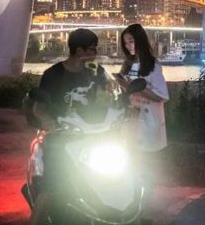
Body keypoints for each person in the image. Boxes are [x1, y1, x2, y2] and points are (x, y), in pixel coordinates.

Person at [30, 28, 103, 225]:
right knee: (50, 187)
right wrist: (47, 120)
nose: (95, 53)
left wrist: (121, 103)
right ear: (79, 51)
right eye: (92, 49)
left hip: (90, 136)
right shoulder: (53, 74)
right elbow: (38, 108)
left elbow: (109, 95)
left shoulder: (95, 71)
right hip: (60, 138)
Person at [117, 23, 169, 225]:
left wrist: (136, 88)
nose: (129, 46)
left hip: (148, 120)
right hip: (129, 120)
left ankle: (144, 210)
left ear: (140, 40)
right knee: (129, 165)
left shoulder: (153, 65)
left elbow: (161, 96)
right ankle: (131, 208)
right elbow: (125, 91)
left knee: (144, 167)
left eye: (131, 41)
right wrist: (122, 86)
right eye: (126, 43)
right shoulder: (128, 64)